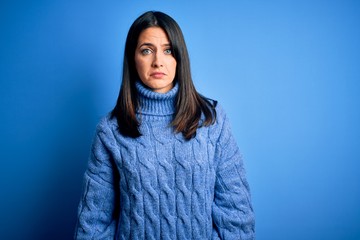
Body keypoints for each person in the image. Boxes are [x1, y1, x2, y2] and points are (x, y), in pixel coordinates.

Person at [74, 11, 255, 240]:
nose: (158, 61)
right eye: (146, 50)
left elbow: (237, 213)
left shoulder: (211, 119)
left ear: (179, 57)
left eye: (168, 50)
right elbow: (92, 224)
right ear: (133, 58)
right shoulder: (110, 131)